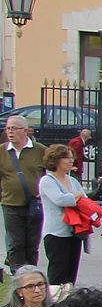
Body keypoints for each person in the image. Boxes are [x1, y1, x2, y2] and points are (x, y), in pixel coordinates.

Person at [0, 115, 46, 270]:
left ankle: (31, 273)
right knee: (16, 243)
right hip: (11, 204)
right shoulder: (2, 151)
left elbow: (52, 171)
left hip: (35, 205)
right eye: (8, 128)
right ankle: (18, 277)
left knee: (32, 244)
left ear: (25, 130)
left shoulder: (40, 150)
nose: (10, 132)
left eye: (14, 128)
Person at [38, 144, 86, 285]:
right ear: (55, 159)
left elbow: (85, 201)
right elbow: (60, 200)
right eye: (67, 158)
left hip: (74, 231)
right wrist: (75, 197)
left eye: (72, 157)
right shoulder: (47, 180)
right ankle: (55, 303)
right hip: (56, 233)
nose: (71, 161)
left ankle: (68, 302)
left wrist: (74, 197)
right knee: (59, 272)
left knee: (71, 274)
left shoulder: (73, 180)